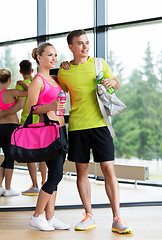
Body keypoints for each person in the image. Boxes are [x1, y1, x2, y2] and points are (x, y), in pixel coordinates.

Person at [58, 29, 133, 234]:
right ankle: (88, 215)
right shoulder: (64, 71)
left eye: (87, 42)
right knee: (82, 172)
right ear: (71, 47)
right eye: (80, 43)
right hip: (77, 126)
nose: (85, 46)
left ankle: (117, 218)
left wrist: (113, 83)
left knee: (108, 168)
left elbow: (114, 83)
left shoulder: (99, 64)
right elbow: (60, 90)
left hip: (100, 125)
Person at [27, 42, 70, 231]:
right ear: (39, 57)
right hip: (48, 132)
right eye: (50, 55)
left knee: (56, 174)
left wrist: (66, 66)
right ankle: (37, 216)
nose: (54, 58)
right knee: (56, 174)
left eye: (55, 55)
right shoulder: (37, 81)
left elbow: (67, 72)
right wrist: (51, 107)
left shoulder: (54, 79)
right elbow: (31, 109)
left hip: (61, 130)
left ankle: (50, 217)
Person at [16, 60, 47, 196]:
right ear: (33, 71)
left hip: (26, 122)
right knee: (43, 155)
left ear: (20, 72)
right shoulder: (38, 81)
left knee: (30, 156)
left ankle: (35, 185)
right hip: (40, 121)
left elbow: (21, 103)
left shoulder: (22, 85)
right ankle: (45, 183)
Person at [0, 68, 28, 197]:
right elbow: (29, 92)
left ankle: (0, 187)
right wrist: (22, 83)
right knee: (10, 158)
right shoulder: (10, 93)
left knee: (6, 156)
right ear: (9, 79)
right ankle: (8, 188)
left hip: (0, 128)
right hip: (11, 127)